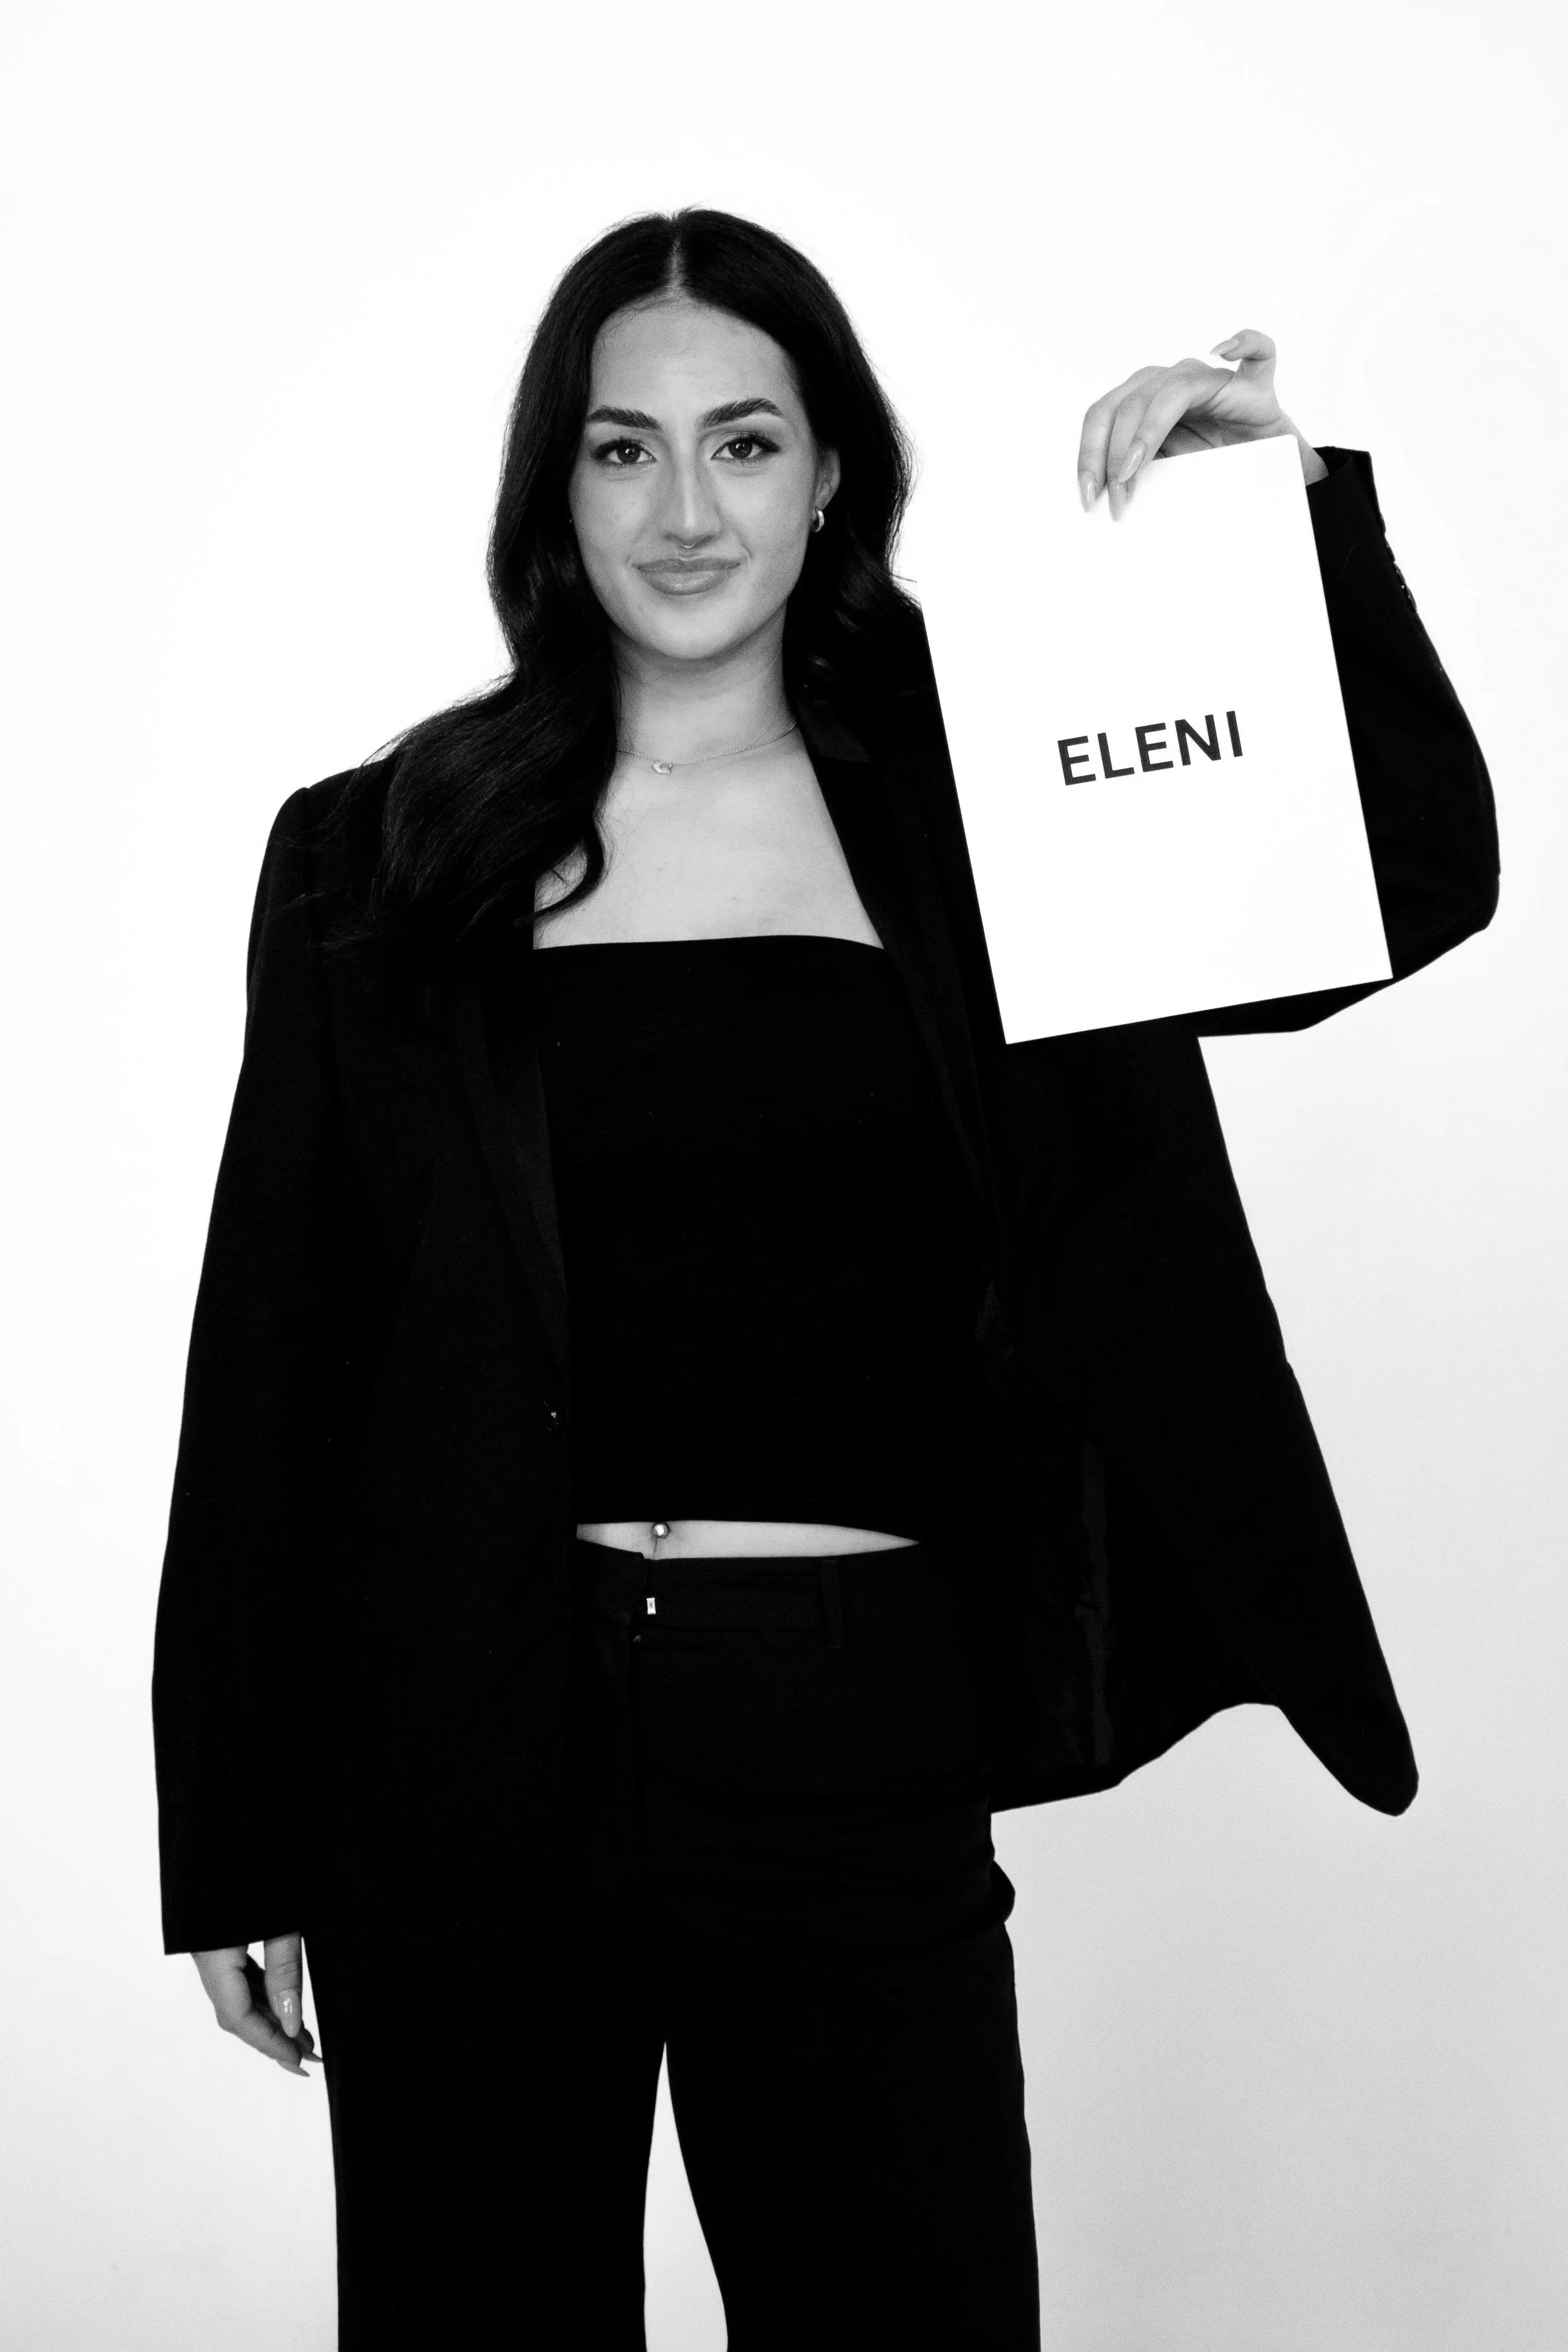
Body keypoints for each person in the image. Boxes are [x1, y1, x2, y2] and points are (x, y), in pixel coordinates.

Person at [151, 208, 1498, 2351]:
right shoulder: (375, 849)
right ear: (553, 484)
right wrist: (226, 1831)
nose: (686, 510)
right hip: (463, 1737)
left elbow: (1403, 879)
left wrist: (1283, 518)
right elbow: (276, 1356)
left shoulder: (1000, 820)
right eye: (623, 449)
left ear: (830, 471)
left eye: (745, 441)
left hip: (849, 1713)